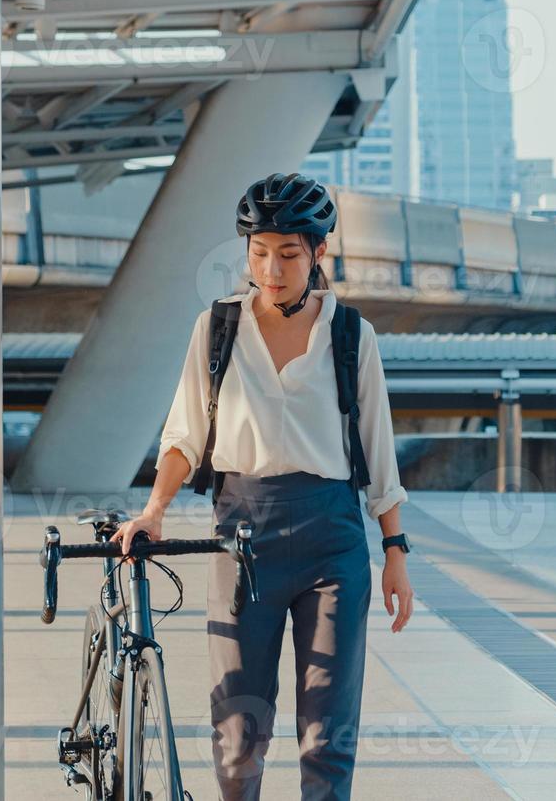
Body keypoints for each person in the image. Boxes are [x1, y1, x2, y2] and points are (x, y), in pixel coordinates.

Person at [111, 172, 414, 801]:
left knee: (327, 732)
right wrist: (154, 511)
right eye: (259, 253)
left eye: (288, 254)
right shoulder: (217, 329)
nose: (271, 270)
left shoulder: (352, 336)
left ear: (319, 253)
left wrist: (394, 552)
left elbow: (379, 452)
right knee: (239, 731)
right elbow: (184, 435)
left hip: (333, 539)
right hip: (241, 537)